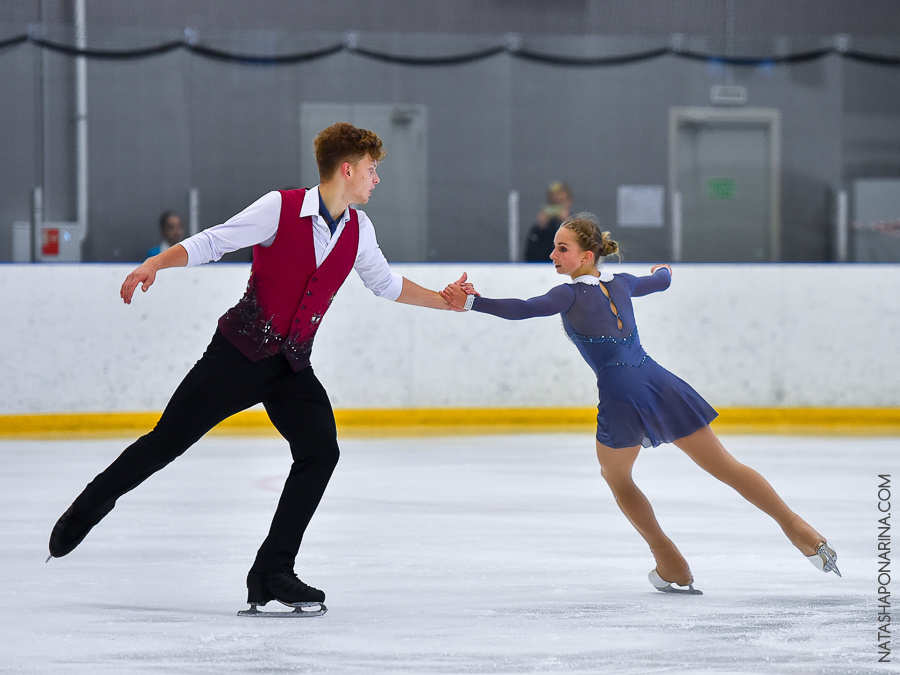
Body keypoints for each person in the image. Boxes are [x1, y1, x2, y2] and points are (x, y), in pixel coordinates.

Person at [48, 122, 464, 616]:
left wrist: (444, 301)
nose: (376, 180)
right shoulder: (279, 208)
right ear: (347, 169)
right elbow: (213, 242)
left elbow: (385, 283)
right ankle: (93, 502)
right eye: (372, 170)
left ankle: (272, 572)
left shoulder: (358, 230)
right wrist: (154, 264)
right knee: (166, 443)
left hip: (290, 365)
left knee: (320, 452)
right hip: (237, 355)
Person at [441, 213, 839, 594]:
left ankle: (670, 562)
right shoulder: (624, 282)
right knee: (727, 467)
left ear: (586, 257)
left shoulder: (567, 294)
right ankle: (800, 530)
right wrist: (663, 271)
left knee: (618, 478)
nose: (553, 255)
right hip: (659, 382)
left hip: (621, 394)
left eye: (561, 248)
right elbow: (662, 281)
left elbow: (525, 309)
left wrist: (473, 302)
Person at [524, 181, 573, 262]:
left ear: (569, 201)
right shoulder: (540, 228)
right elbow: (530, 256)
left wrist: (568, 224)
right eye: (554, 203)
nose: (558, 207)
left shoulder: (579, 226)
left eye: (561, 202)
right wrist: (540, 230)